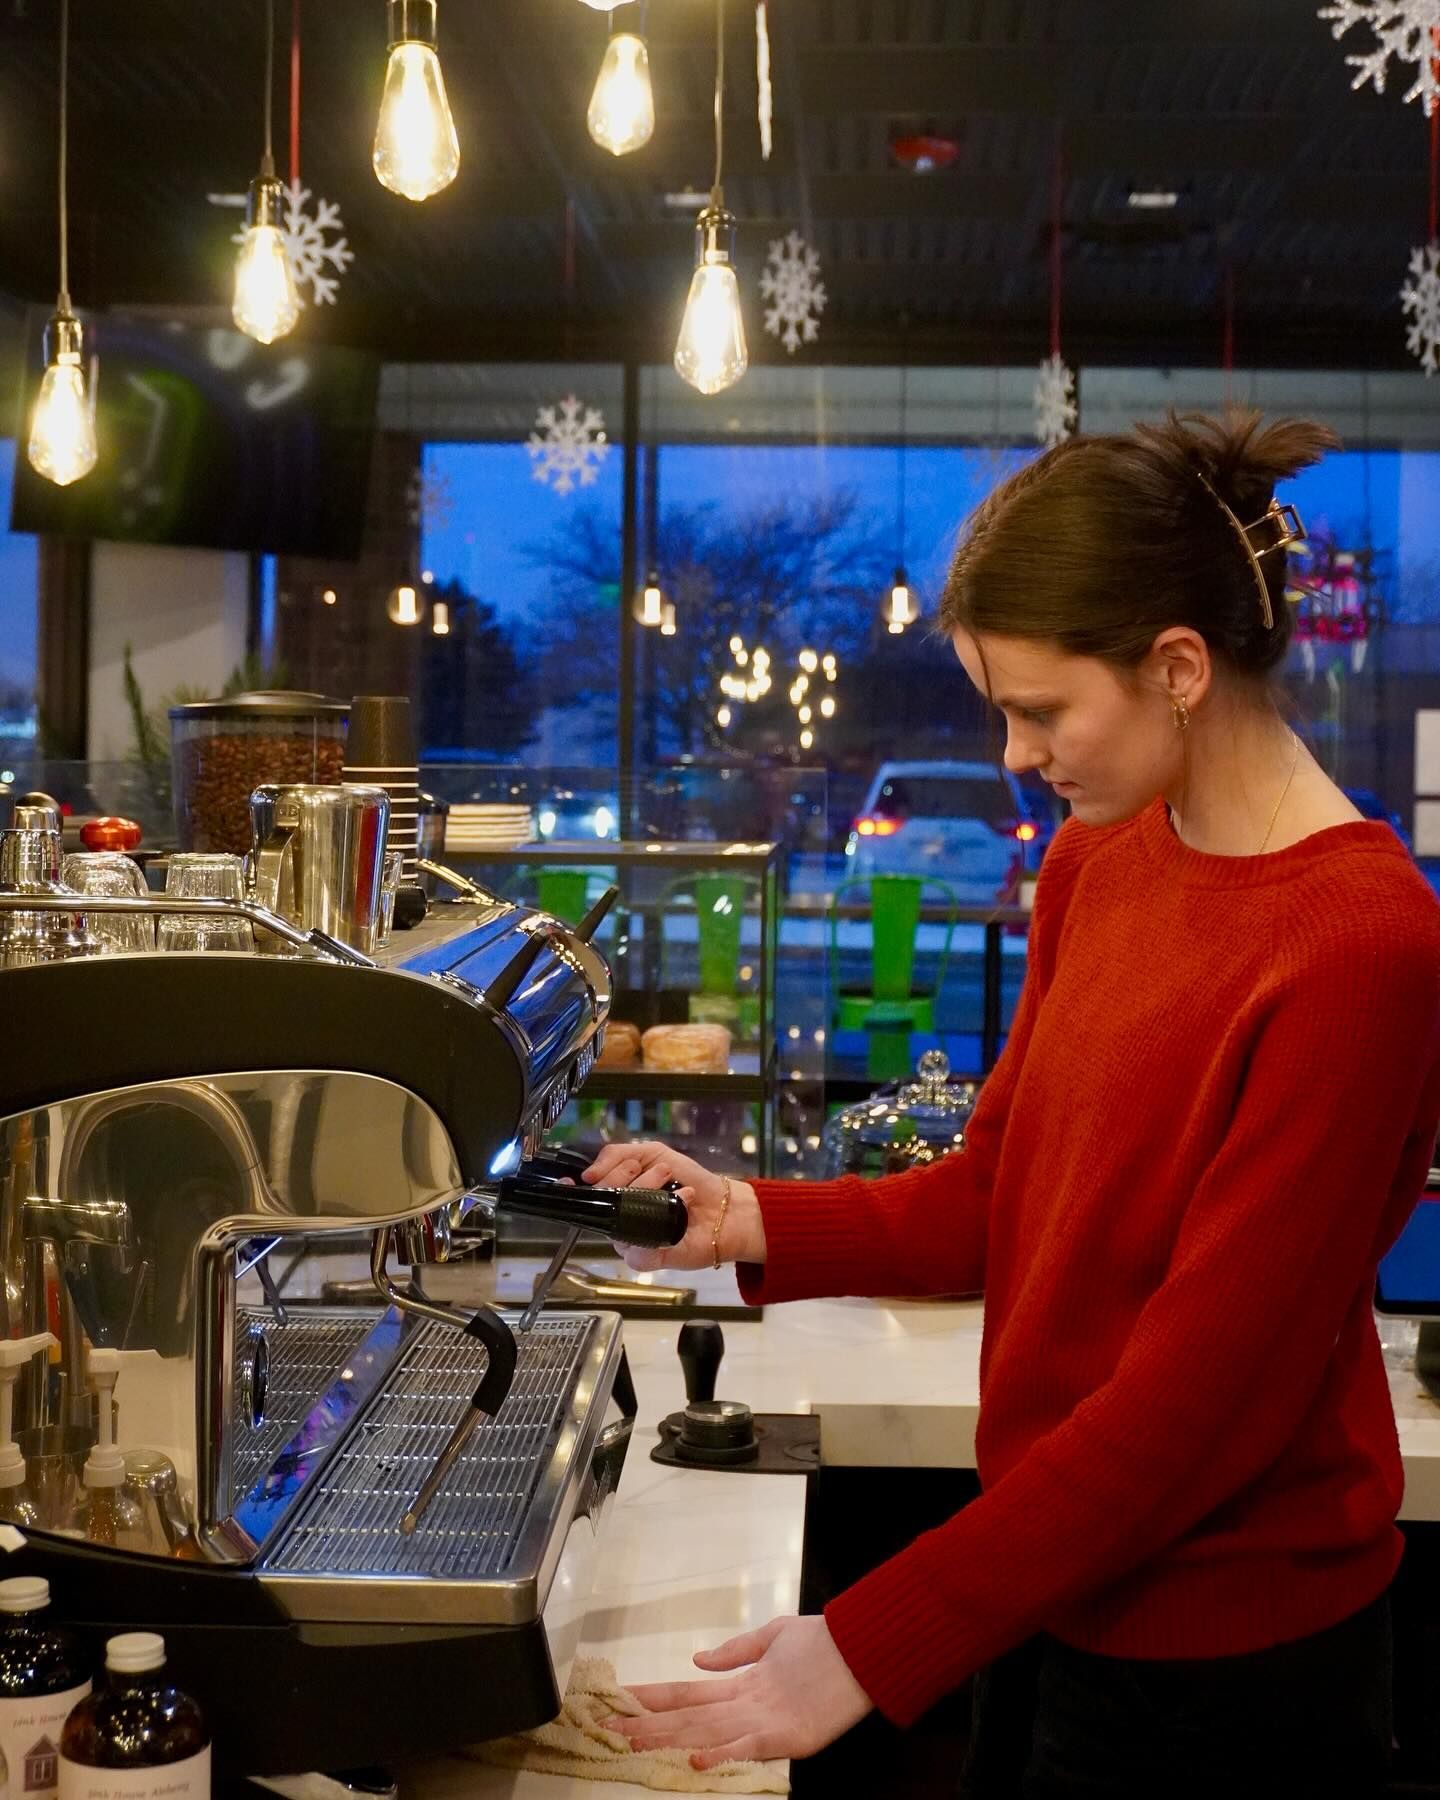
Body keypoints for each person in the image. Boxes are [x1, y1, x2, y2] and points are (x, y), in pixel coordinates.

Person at [583, 411, 1440, 1798]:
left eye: (1041, 709)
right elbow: (999, 1192)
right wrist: (741, 1216)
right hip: (1052, 1581)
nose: (1015, 757)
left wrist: (862, 1647)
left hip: (1237, 1667)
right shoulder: (1103, 863)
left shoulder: (1358, 945)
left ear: (1176, 669)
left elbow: (1193, 1412)